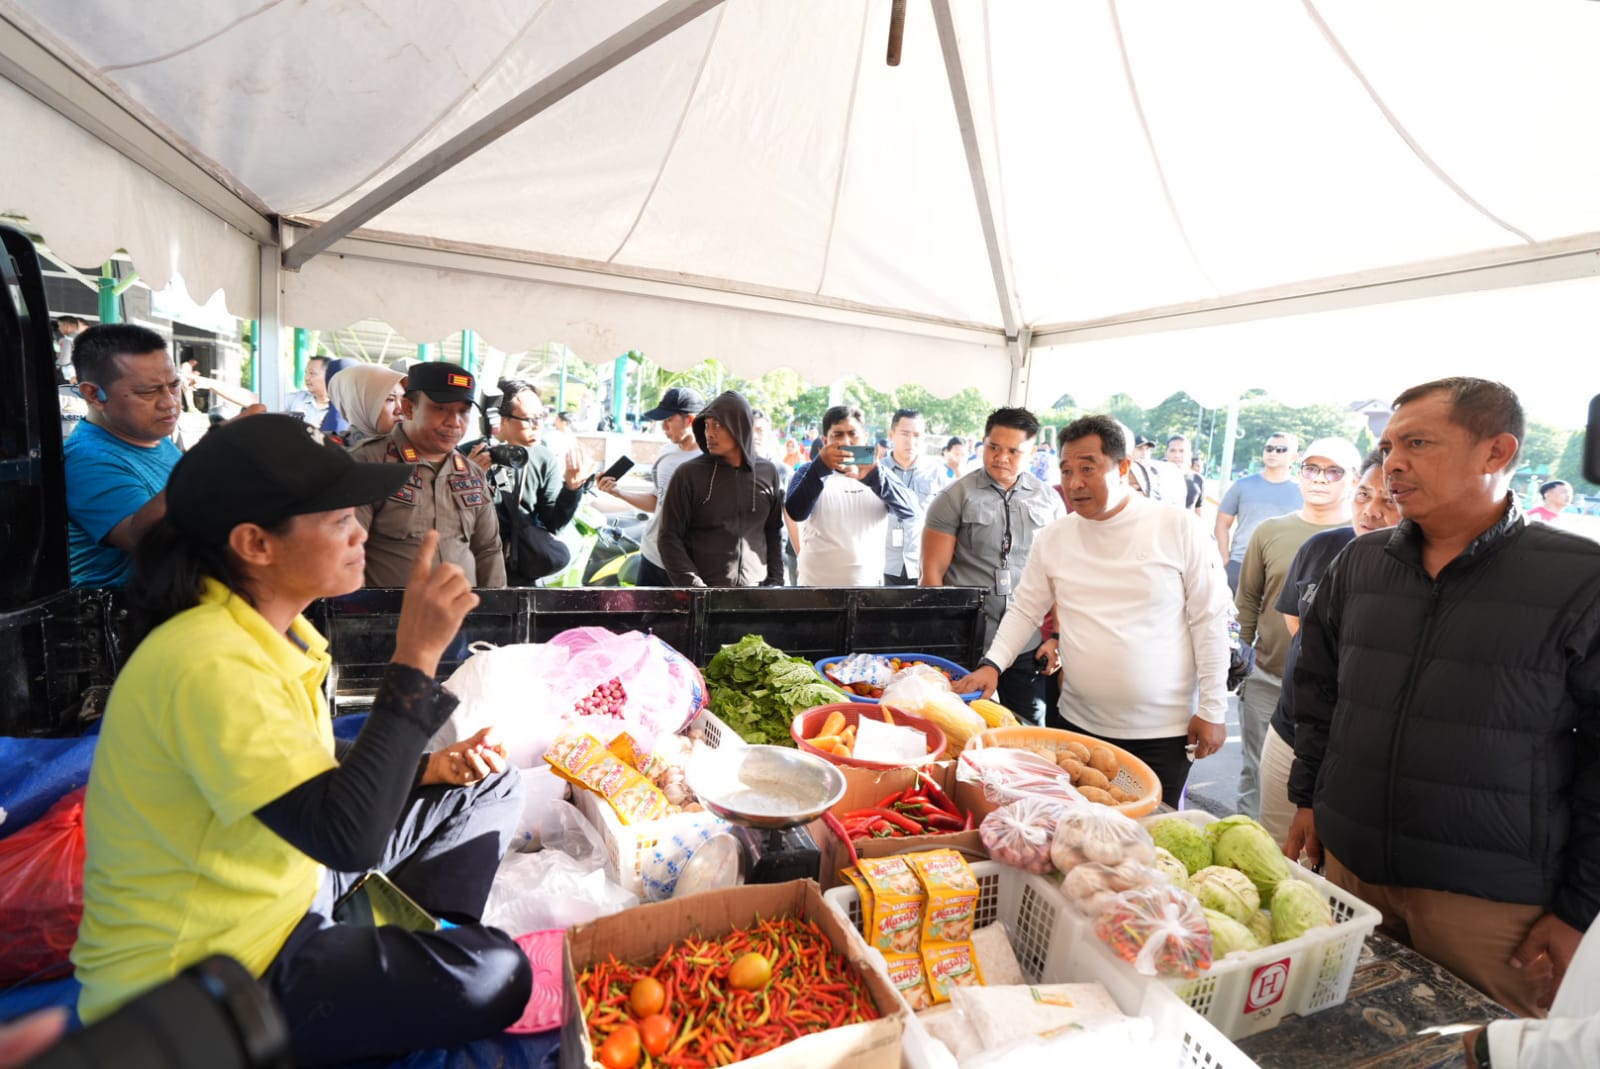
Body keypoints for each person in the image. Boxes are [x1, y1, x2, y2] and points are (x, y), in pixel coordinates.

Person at [72, 414, 530, 1066]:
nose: (360, 532)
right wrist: (416, 657)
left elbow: (301, 770)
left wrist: (430, 768)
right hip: (212, 978)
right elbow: (347, 839)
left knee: (488, 784)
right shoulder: (208, 661)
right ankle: (406, 965)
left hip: (290, 878)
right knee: (499, 971)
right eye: (339, 519)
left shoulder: (271, 632)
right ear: (256, 543)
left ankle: (413, 937)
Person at [1286, 377, 1600, 1018]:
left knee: (1470, 1046)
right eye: (1388, 447)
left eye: (1418, 443)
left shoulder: (1579, 578)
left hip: (1489, 902)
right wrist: (1309, 798)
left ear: (1497, 451)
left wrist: (1579, 908)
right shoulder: (1361, 562)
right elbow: (1319, 693)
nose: (1393, 463)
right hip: (1352, 868)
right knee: (1335, 1029)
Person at [956, 416, 1231, 804]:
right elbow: (1025, 609)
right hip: (1077, 726)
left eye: (1088, 468)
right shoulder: (1055, 537)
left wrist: (1213, 709)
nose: (1074, 483)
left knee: (1146, 833)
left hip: (1162, 734)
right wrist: (993, 664)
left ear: (1123, 467)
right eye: (1066, 470)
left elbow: (1209, 620)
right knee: (1073, 829)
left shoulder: (1178, 526)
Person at [1255, 450, 1399, 846]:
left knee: (1330, 860)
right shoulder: (1320, 547)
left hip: (1355, 752)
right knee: (1273, 847)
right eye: (1364, 494)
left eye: (1389, 500)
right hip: (1290, 731)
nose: (1371, 510)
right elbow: (1297, 622)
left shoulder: (1416, 574)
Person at [1233, 436, 1362, 821]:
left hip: (1332, 692)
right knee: (1255, 773)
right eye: (1311, 468)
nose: (1320, 478)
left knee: (1317, 784)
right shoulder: (1269, 531)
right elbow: (1248, 598)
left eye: (1333, 471)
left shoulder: (1365, 537)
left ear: (1354, 479)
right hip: (1267, 677)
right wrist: (1240, 655)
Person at [923, 407, 1066, 724]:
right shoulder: (954, 497)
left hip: (1025, 642)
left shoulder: (1050, 501)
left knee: (1027, 728)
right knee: (957, 724)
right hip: (966, 639)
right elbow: (932, 575)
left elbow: (1059, 576)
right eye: (994, 447)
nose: (1001, 458)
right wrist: (942, 638)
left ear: (1031, 453)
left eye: (1013, 451)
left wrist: (1056, 636)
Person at [349, 363, 506, 588]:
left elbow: (488, 550)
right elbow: (346, 549)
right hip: (389, 610)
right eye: (440, 408)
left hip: (465, 609)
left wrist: (496, 606)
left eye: (463, 411)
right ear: (408, 408)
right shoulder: (368, 462)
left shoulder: (470, 473)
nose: (454, 422)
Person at [64, 324, 183, 587]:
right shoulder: (87, 460)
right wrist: (209, 459)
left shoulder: (153, 438)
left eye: (174, 386)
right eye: (147, 392)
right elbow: (147, 539)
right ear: (94, 394)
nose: (169, 402)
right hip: (128, 610)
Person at [655, 391, 785, 587]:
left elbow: (773, 531)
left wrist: (775, 582)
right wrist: (695, 587)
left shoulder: (768, 472)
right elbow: (668, 538)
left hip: (757, 594)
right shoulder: (688, 474)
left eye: (717, 425)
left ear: (739, 426)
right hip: (703, 595)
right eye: (707, 425)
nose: (709, 433)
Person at [786, 404, 915, 586]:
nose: (846, 441)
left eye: (853, 434)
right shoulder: (808, 471)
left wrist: (875, 477)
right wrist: (818, 469)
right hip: (814, 588)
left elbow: (909, 510)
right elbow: (796, 512)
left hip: (867, 588)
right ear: (825, 440)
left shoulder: (880, 473)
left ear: (865, 437)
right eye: (838, 435)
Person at [485, 379, 595, 584]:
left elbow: (554, 524)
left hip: (521, 571)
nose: (538, 425)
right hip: (474, 570)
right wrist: (472, 477)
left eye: (541, 417)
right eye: (529, 419)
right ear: (501, 420)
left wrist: (572, 488)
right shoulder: (471, 456)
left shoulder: (544, 458)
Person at [600, 386, 705, 586]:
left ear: (690, 420)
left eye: (668, 420)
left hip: (688, 566)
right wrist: (618, 492)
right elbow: (657, 501)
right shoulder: (666, 452)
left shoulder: (712, 462)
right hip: (651, 556)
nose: (663, 427)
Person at [1215, 432, 1303, 592]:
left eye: (1281, 449)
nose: (1273, 453)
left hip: (1283, 571)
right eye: (1269, 448)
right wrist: (1224, 560)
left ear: (1294, 456)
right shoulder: (1242, 485)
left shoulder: (1303, 491)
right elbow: (1222, 523)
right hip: (1240, 565)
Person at [881, 408, 940, 586]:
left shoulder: (935, 473)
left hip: (920, 565)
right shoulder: (877, 471)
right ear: (891, 434)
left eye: (917, 435)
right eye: (905, 434)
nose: (911, 441)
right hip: (883, 564)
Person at [327, 362, 405, 447]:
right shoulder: (328, 449)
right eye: (390, 399)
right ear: (357, 404)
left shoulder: (406, 447)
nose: (401, 409)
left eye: (403, 399)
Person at [284, 355, 331, 426]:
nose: (306, 378)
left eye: (312, 373)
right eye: (306, 373)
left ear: (328, 375)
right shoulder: (297, 398)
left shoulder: (339, 409)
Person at [1166, 435, 1204, 515]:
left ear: (1189, 454)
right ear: (1166, 453)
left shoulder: (1197, 479)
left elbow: (1198, 512)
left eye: (1182, 451)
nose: (1177, 455)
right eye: (1172, 450)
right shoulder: (1155, 476)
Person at [53, 314, 87, 384]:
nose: (59, 328)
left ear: (68, 326)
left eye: (60, 325)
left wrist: (57, 364)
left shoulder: (68, 340)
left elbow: (64, 360)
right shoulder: (81, 338)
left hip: (71, 376)